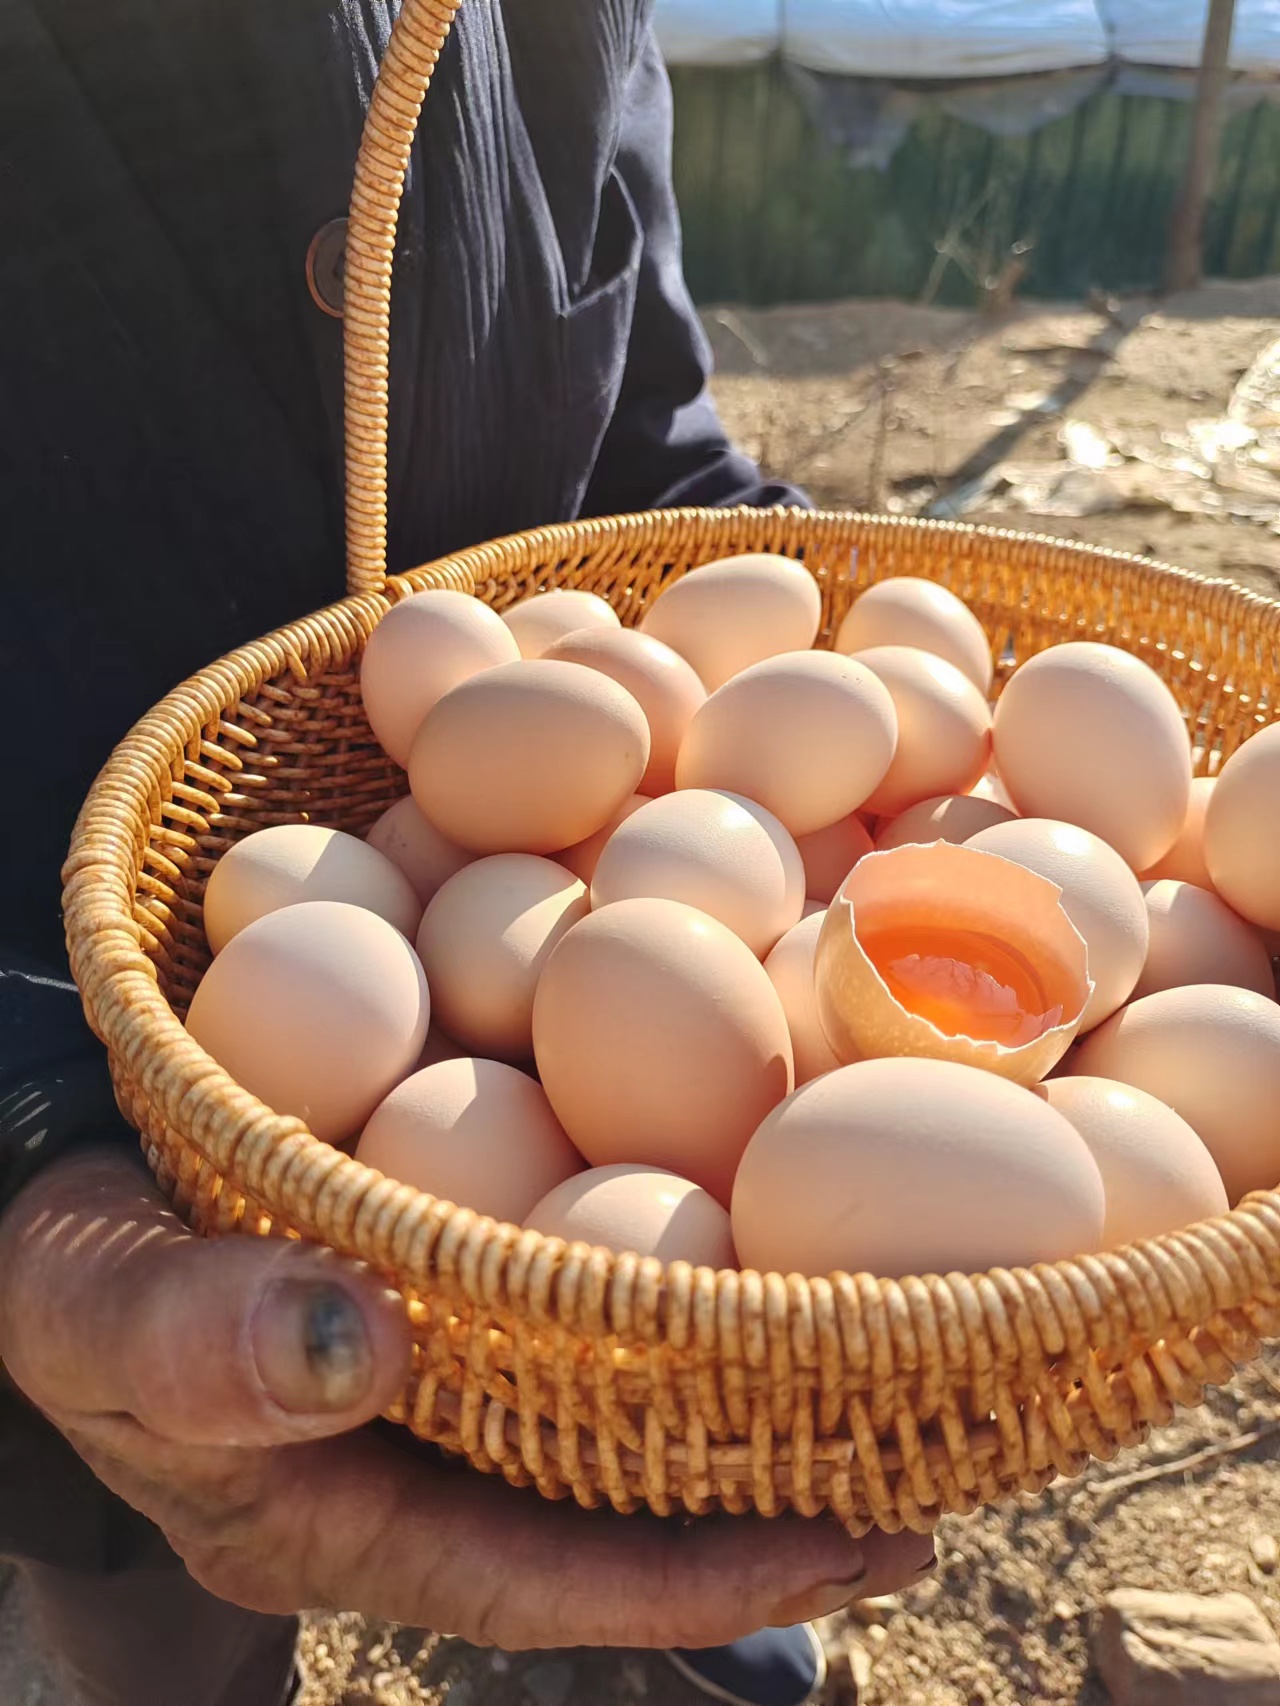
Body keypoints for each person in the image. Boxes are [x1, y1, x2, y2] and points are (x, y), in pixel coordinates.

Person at [0, 3, 937, 1704]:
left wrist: (844, 660)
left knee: (663, 1523)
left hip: (577, 1137)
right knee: (163, 1586)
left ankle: (650, 1617)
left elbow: (645, 437)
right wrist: (29, 1132)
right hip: (99, 1080)